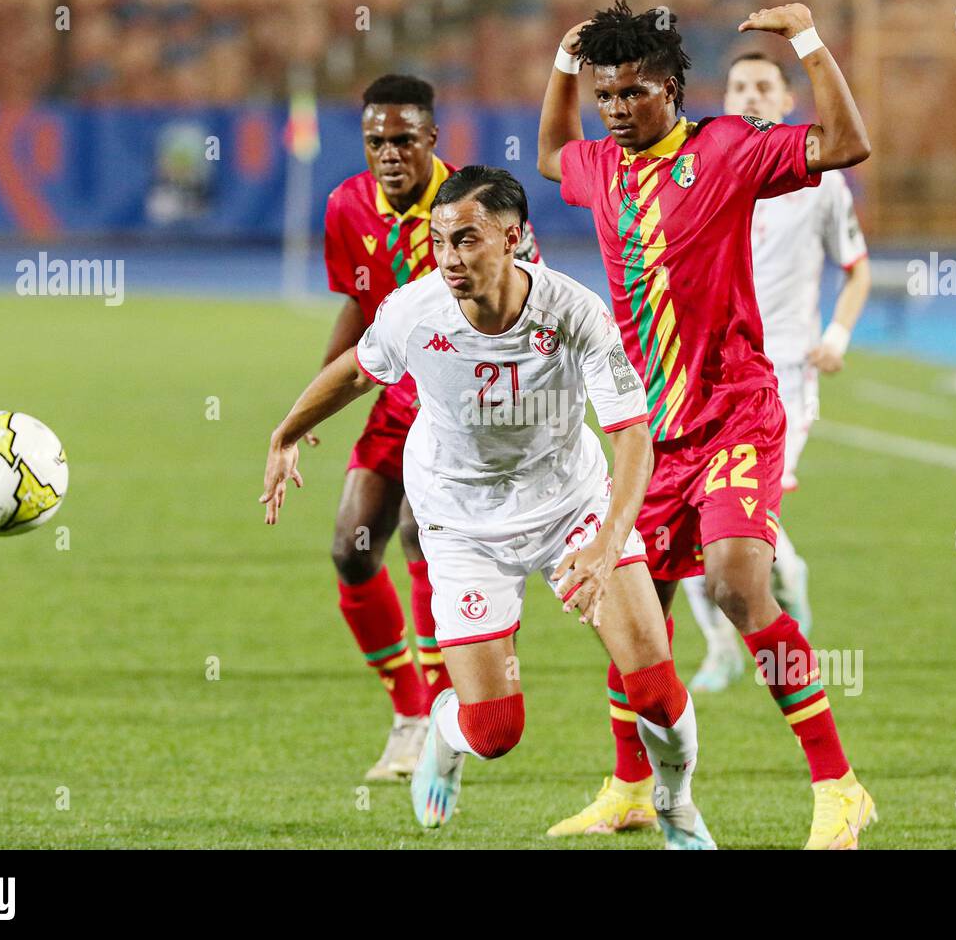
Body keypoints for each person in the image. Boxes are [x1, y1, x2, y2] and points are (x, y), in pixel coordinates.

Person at [261, 166, 715, 848]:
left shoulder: (575, 312)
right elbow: (359, 369)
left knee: (653, 686)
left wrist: (606, 541)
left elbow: (630, 436)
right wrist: (286, 433)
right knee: (495, 733)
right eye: (440, 241)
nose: (449, 258)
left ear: (513, 238)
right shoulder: (416, 311)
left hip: (571, 506)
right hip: (462, 520)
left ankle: (675, 804)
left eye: (466, 240)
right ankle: (446, 735)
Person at [538, 0, 877, 848]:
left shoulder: (724, 148)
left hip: (733, 411)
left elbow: (845, 145)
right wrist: (558, 65)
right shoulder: (599, 167)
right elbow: (549, 154)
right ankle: (626, 788)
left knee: (733, 583)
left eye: (630, 93)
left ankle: (839, 786)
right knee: (632, 609)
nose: (614, 109)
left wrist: (806, 38)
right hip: (649, 434)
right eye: (602, 94)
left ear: (670, 88)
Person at [319, 74, 541, 781]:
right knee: (352, 549)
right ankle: (412, 712)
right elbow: (362, 302)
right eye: (376, 141)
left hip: (463, 408)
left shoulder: (472, 210)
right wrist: (321, 392)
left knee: (421, 533)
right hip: (394, 403)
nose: (388, 153)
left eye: (403, 140)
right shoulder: (347, 205)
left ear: (431, 140)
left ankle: (448, 707)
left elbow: (526, 303)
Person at [681, 51, 871, 692]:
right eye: (739, 86)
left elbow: (857, 268)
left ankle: (788, 588)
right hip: (703, 377)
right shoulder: (699, 169)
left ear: (788, 102)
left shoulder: (821, 180)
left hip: (783, 375)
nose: (751, 97)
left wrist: (837, 335)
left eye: (765, 87)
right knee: (687, 520)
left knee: (741, 524)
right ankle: (720, 647)